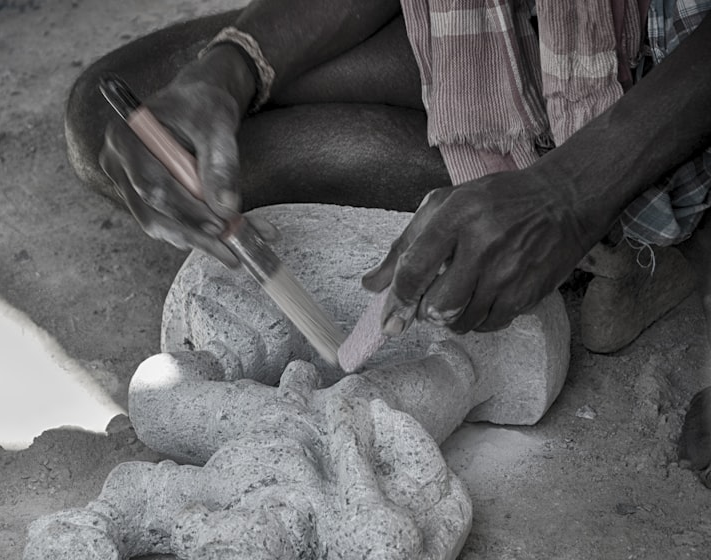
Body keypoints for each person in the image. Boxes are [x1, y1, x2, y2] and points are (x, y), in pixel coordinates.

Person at [64, 0, 711, 482]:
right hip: (489, 26)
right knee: (112, 119)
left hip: (657, 60)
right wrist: (229, 70)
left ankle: (634, 213)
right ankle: (598, 217)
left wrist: (571, 192)